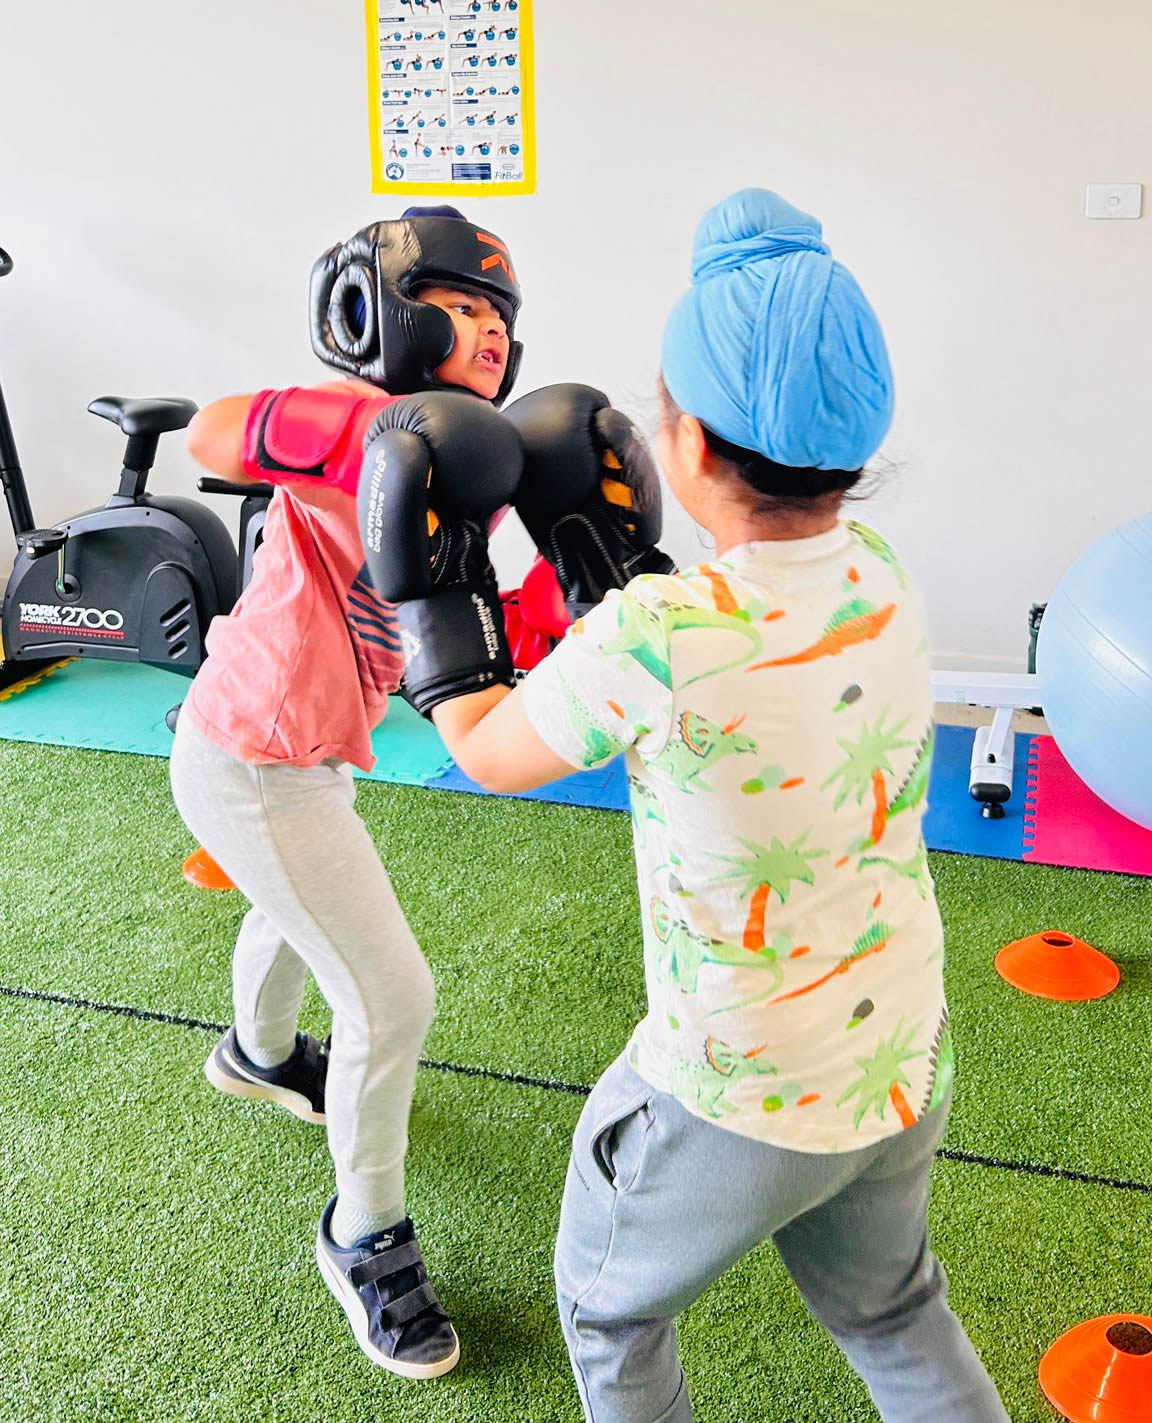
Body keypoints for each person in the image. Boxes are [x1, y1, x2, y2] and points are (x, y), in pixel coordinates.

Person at [357, 188, 1010, 1421]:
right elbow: (714, 656)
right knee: (893, 1307)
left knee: (610, 1306)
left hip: (738, 1091)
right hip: (898, 1052)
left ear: (690, 447)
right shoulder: (880, 574)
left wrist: (437, 605)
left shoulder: (662, 631)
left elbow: (490, 752)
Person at [168, 204, 524, 1381]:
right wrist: (348, 428)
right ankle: (360, 1232)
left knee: (294, 905)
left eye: (497, 318)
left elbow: (472, 624)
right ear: (381, 317)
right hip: (251, 755)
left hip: (298, 752)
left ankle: (260, 1056)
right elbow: (214, 435)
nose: (485, 332)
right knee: (393, 996)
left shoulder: (459, 462)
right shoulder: (366, 432)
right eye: (461, 307)